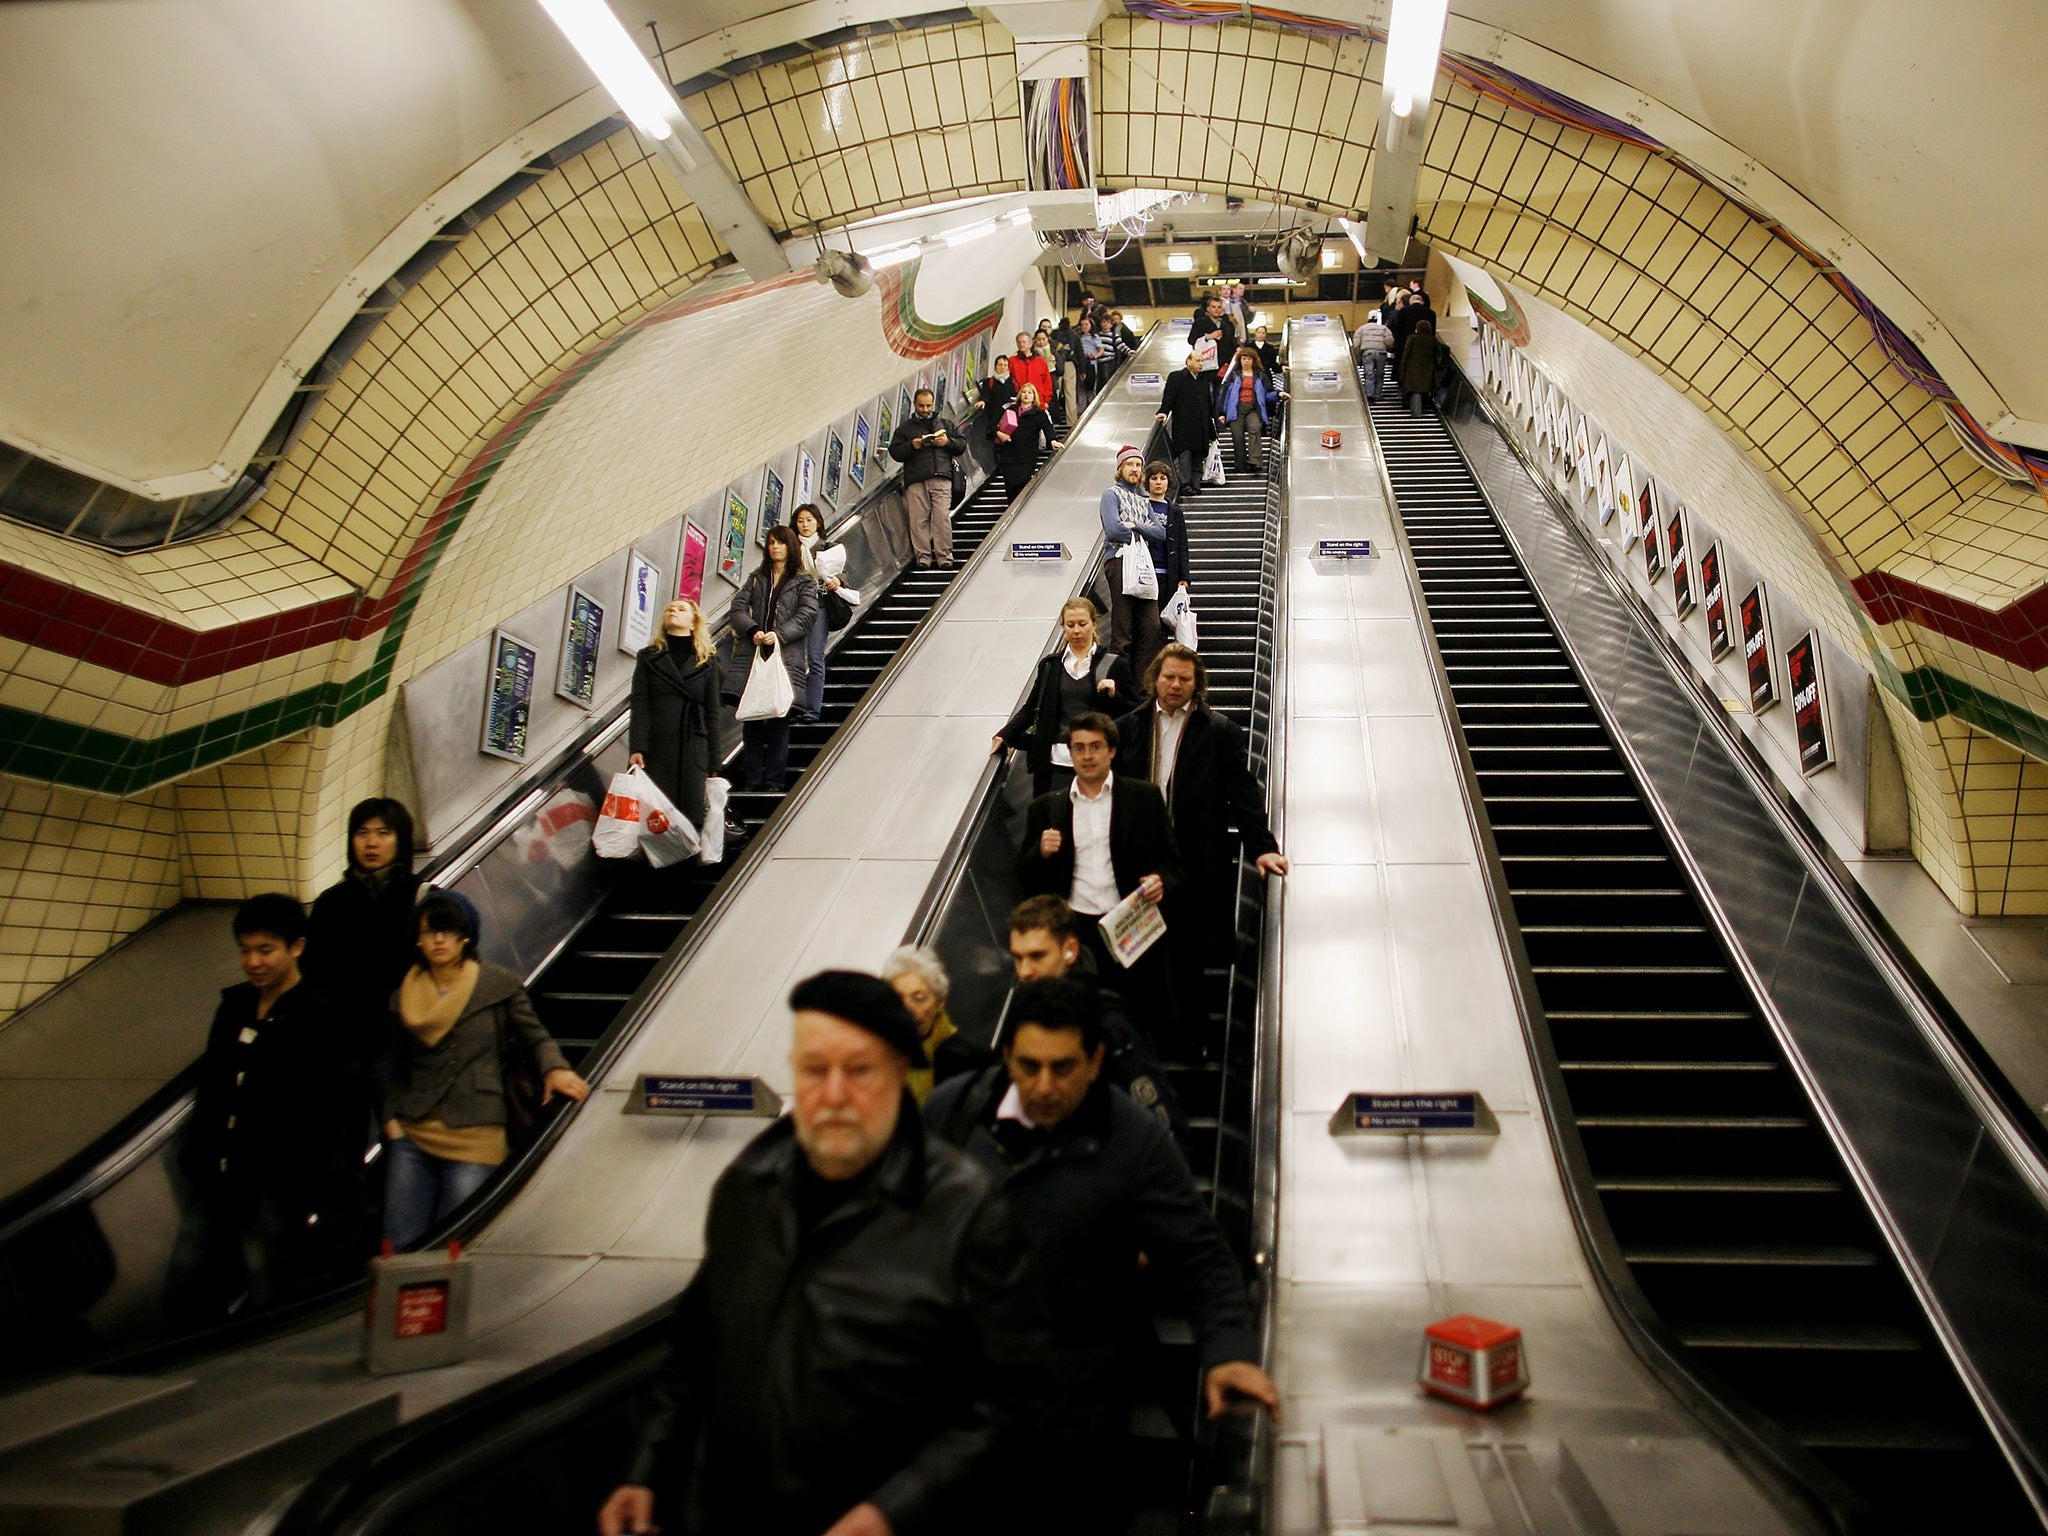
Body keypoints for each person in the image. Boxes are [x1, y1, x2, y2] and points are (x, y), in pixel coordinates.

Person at [599, 970, 1047, 1536]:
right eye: (815, 1070)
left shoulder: (963, 1212)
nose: (834, 1094)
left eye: (859, 1070)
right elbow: (694, 1350)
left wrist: (893, 1511)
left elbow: (1010, 1403)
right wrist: (647, 1472)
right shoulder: (749, 1189)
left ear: (898, 1073)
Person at [925, 977, 1277, 1532]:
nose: (1043, 1086)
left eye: (1062, 1068)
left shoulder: (1133, 1140)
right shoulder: (952, 1114)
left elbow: (1199, 1252)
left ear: (1094, 1061)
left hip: (1078, 1416)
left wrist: (1228, 1347)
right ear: (1006, 1056)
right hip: (959, 1407)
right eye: (1028, 1065)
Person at [172, 894, 364, 1323]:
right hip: (214, 1176)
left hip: (273, 1184)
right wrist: (198, 1159)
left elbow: (326, 1108)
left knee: (269, 1280)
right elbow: (213, 1087)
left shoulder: (320, 1014)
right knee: (187, 1276)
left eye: (265, 950)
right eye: (245, 950)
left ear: (296, 947)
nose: (253, 962)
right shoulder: (234, 1006)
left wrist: (302, 1177)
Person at [381, 893, 587, 1249]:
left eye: (448, 931)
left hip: (477, 1133)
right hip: (413, 1133)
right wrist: (391, 1120)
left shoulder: (498, 985)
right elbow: (393, 1064)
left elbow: (535, 1037)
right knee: (399, 1244)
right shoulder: (403, 996)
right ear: (418, 938)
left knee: (455, 1243)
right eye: (430, 932)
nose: (439, 940)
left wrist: (555, 1069)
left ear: (466, 936)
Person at [1116, 644, 1286, 1034]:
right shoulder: (1128, 726)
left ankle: (1190, 1036)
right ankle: (1145, 1037)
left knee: (1188, 950)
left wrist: (1262, 849)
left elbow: (1243, 792)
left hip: (1195, 857)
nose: (1175, 685)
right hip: (1139, 856)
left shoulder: (1219, 731)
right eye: (1168, 676)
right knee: (1138, 950)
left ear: (1197, 684)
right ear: (1154, 678)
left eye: (1184, 679)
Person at [1014, 713, 1183, 1045]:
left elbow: (1173, 865)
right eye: (1078, 748)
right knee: (1078, 1025)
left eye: (1095, 747)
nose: (1087, 756)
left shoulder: (1144, 797)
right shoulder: (1046, 808)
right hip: (1076, 929)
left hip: (1129, 923)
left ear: (1112, 751)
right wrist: (1040, 853)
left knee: (1134, 1023)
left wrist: (1162, 881)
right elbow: (1023, 875)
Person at [1004, 895, 1185, 1137]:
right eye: (1018, 958)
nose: (1024, 971)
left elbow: (1161, 1119)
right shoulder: (1021, 1020)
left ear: (1070, 950)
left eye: (1037, 956)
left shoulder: (1105, 1021)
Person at [304, 796, 421, 1101]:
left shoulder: (421, 899)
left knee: (400, 1135)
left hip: (400, 1043)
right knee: (342, 1140)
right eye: (362, 833)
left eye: (384, 833)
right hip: (342, 1046)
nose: (372, 843)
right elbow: (314, 972)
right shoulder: (331, 903)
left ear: (401, 840)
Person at [992, 598, 1133, 799]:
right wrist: (1005, 735)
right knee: (1052, 826)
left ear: (1094, 624)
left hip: (1097, 765)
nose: (1076, 631)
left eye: (1082, 624)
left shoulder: (1114, 665)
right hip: (1054, 764)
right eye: (1070, 625)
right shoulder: (1051, 666)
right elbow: (1032, 707)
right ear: (1062, 626)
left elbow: (1132, 713)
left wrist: (1114, 695)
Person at [720, 524, 818, 792]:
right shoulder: (756, 578)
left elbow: (808, 614)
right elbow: (737, 609)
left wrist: (779, 635)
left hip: (785, 658)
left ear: (790, 547)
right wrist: (752, 630)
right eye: (771, 543)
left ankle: (774, 781)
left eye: (780, 543)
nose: (775, 547)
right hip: (753, 656)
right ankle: (752, 780)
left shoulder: (804, 581)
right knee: (752, 721)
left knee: (778, 722)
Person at [628, 597, 721, 828]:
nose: (673, 611)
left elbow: (712, 712)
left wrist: (714, 760)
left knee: (691, 815)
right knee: (657, 816)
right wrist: (637, 747)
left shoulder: (707, 661)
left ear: (693, 623)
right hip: (657, 746)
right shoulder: (648, 657)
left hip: (694, 747)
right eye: (670, 608)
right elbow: (640, 703)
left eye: (681, 609)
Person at [882, 944, 994, 1103]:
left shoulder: (975, 1062)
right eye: (898, 998)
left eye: (919, 998)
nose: (908, 1008)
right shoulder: (876, 1056)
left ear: (939, 1002)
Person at [1097, 445, 1168, 684]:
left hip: (1143, 567)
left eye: (1138, 465)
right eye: (1130, 464)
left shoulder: (1143, 500)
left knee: (1151, 628)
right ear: (1120, 468)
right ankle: (1120, 688)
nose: (1135, 469)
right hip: (1119, 562)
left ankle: (1141, 688)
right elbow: (1114, 529)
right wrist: (1143, 530)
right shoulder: (1111, 494)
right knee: (1123, 628)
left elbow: (1160, 533)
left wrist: (1136, 526)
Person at [791, 503, 859, 720]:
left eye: (809, 520)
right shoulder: (789, 548)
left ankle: (812, 708)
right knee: (793, 659)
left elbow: (844, 573)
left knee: (815, 656)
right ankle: (795, 706)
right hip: (795, 607)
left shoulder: (828, 546)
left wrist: (838, 580)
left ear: (818, 522)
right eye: (800, 520)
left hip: (819, 606)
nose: (805, 525)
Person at [889, 388, 967, 570]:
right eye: (921, 405)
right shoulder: (905, 429)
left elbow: (962, 444)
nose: (925, 409)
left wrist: (947, 442)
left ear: (933, 404)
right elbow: (895, 452)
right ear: (915, 405)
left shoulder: (945, 424)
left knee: (941, 517)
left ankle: (945, 557)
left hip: (941, 475)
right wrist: (912, 445)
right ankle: (923, 558)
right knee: (918, 520)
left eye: (928, 405)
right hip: (916, 478)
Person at [1157, 343, 1217, 497]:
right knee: (1185, 455)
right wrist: (1163, 412)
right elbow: (1168, 398)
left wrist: (1213, 428)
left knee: (1198, 457)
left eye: (1202, 361)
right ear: (1188, 361)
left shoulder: (1203, 380)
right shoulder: (1176, 377)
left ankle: (1196, 484)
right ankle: (1185, 484)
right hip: (1184, 425)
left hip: (1201, 426)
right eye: (1197, 361)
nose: (1200, 364)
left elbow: (1209, 404)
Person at [1216, 345, 1286, 475]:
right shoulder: (1233, 376)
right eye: (1244, 359)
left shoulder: (1260, 376)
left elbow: (1266, 394)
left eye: (1249, 359)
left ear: (1253, 361)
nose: (1246, 361)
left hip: (1253, 408)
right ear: (1240, 360)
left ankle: (1255, 462)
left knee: (1255, 429)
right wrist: (1222, 412)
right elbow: (1225, 395)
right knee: (1237, 437)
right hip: (1236, 409)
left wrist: (1278, 394)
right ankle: (1240, 464)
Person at [993, 382, 1062, 504]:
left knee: (1021, 486)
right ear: (1020, 395)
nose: (1026, 395)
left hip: (1026, 457)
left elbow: (1048, 428)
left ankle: (1018, 512)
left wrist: (1053, 441)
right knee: (1010, 489)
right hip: (1008, 456)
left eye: (1030, 393)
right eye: (1024, 392)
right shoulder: (1010, 410)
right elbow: (992, 427)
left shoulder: (1039, 414)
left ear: (1034, 397)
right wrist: (999, 434)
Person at [1187, 293, 1236, 375]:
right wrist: (1207, 337)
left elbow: (1232, 342)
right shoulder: (1199, 323)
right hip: (1206, 366)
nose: (1216, 309)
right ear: (1208, 309)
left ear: (1222, 309)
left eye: (1219, 307)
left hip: (1224, 366)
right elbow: (1191, 340)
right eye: (1213, 307)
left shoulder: (1227, 324)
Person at [1400, 314, 1439, 416]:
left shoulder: (1412, 338)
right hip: (1427, 369)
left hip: (1412, 368)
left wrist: (1402, 368)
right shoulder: (1432, 340)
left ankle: (1416, 412)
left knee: (1415, 390)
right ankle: (1423, 408)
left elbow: (1406, 353)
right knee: (1422, 389)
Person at [975, 353, 1016, 446]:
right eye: (1000, 365)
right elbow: (986, 394)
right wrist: (983, 401)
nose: (1002, 367)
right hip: (994, 415)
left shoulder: (1013, 382)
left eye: (1005, 365)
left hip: (1009, 415)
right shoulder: (989, 381)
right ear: (995, 366)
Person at [1353, 311, 1394, 398]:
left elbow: (1356, 345)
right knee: (1380, 374)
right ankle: (1378, 394)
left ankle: (1369, 394)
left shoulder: (1361, 329)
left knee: (1369, 374)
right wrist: (1389, 349)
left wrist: (1358, 358)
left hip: (1367, 353)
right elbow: (1389, 342)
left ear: (1368, 318)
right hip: (1381, 353)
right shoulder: (1384, 329)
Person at [1008, 330, 1052, 408]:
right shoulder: (1011, 361)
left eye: (1024, 342)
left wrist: (1046, 401)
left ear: (1031, 344)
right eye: (1019, 342)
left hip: (1039, 401)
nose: (1021, 344)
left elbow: (1047, 383)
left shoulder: (1041, 361)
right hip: (1020, 402)